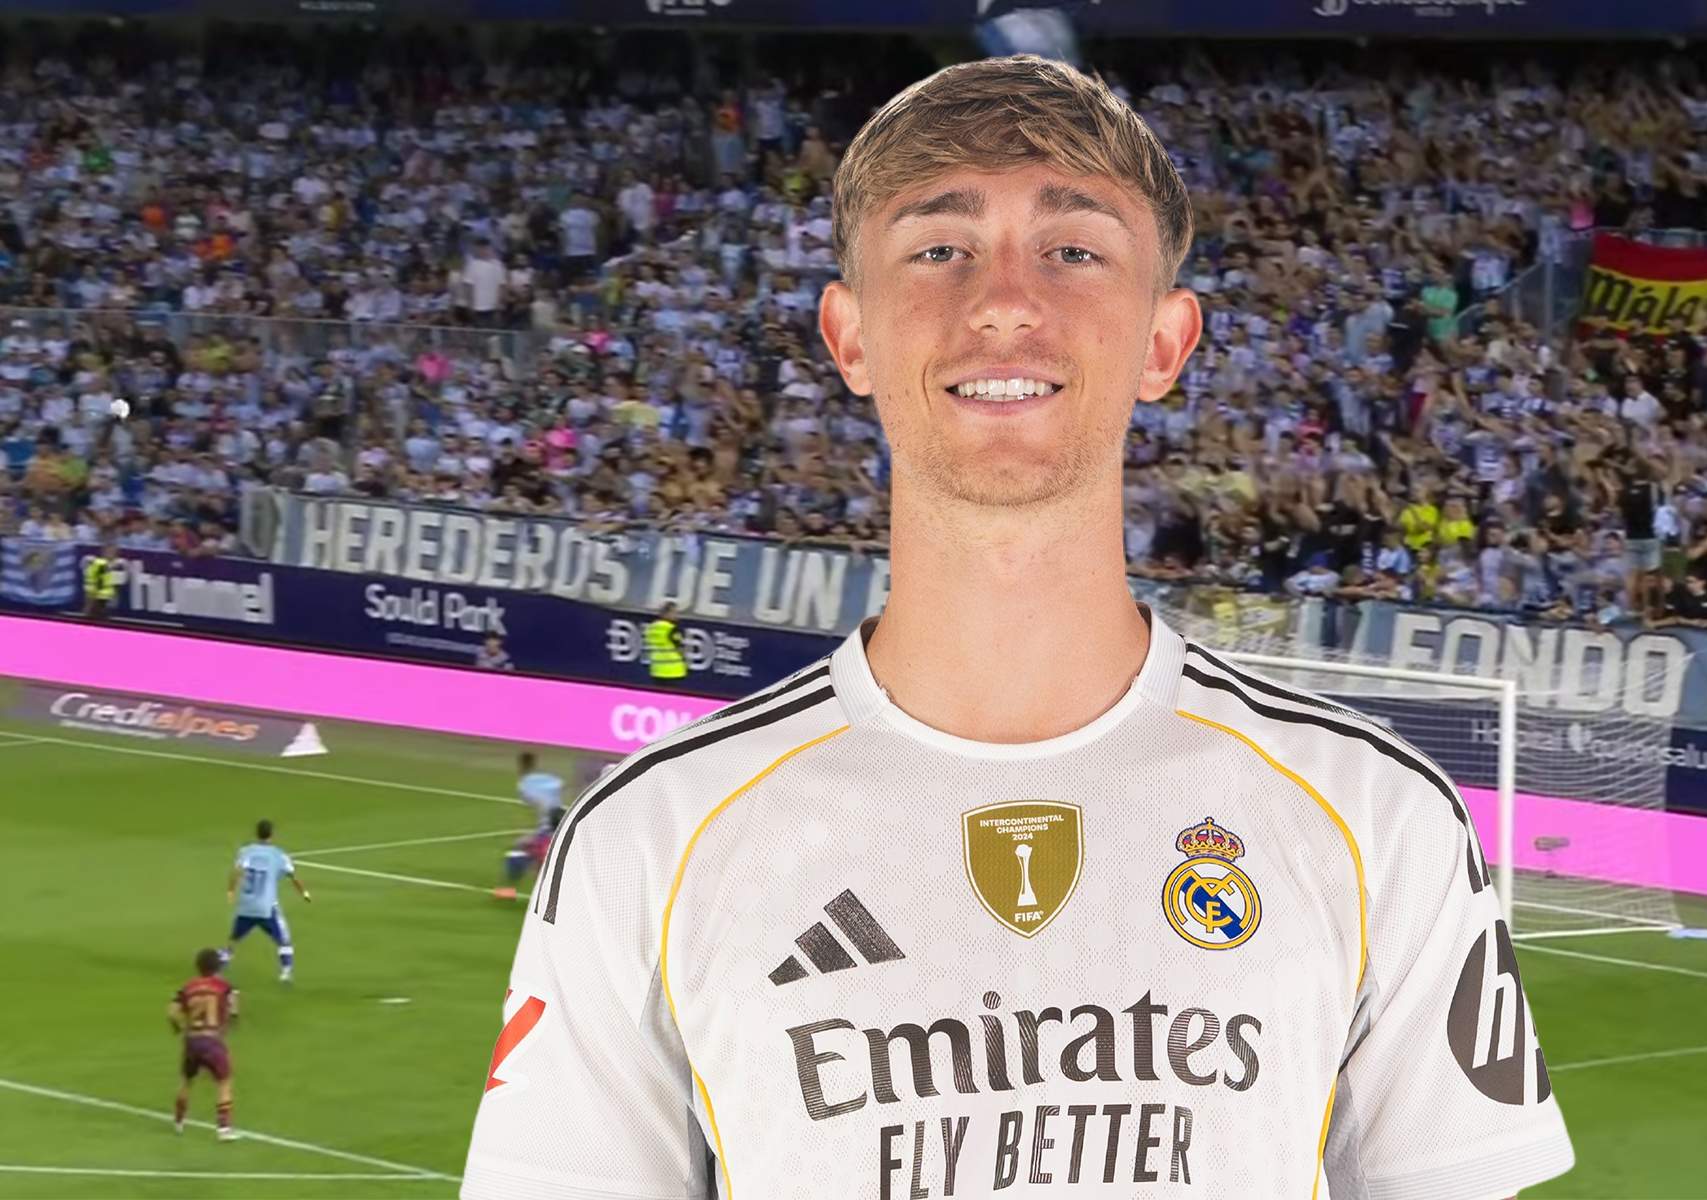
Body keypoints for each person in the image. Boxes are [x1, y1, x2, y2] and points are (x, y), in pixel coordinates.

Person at [460, 56, 1572, 1199]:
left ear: (1163, 344)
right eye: (938, 249)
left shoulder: (1374, 814)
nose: (1002, 301)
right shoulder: (647, 838)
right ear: (847, 337)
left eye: (1074, 251)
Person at [223, 819, 310, 984]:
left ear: (257, 833)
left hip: (246, 905)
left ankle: (224, 958)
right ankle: (286, 971)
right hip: (266, 908)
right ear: (272, 834)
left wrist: (231, 891)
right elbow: (293, 877)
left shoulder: (246, 851)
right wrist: (305, 893)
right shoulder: (279, 855)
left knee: (234, 938)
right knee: (283, 940)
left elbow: (236, 872)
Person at [168, 947, 239, 1141]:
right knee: (224, 1082)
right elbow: (233, 1007)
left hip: (192, 1040)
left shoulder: (188, 987)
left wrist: (178, 1027)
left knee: (186, 1081)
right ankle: (224, 1129)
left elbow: (172, 1011)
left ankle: (178, 1121)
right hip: (213, 1040)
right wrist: (230, 1023)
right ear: (218, 966)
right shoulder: (224, 986)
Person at [497, 752, 566, 898]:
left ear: (520, 765)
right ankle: (543, 896)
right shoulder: (548, 780)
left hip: (548, 832)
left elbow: (535, 807)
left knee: (523, 852)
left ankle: (511, 891)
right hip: (557, 828)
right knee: (535, 860)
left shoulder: (525, 786)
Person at [644, 603, 689, 682]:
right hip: (674, 671)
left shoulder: (651, 628)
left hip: (657, 670)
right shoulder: (672, 629)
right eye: (674, 612)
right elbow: (679, 648)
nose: (676, 615)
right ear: (667, 613)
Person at [81, 542, 120, 619]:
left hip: (106, 600)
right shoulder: (99, 564)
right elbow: (93, 583)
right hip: (97, 601)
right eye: (109, 551)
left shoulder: (114, 566)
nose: (111, 554)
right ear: (104, 552)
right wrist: (90, 603)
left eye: (113, 552)